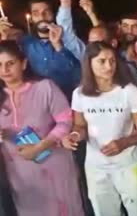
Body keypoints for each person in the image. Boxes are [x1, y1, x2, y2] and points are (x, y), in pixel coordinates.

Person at [61, 41, 137, 216]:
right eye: (102, 61)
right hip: (96, 168)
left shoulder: (129, 92)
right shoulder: (80, 94)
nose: (109, 66)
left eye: (112, 60)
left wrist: (124, 142)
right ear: (89, 64)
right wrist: (74, 136)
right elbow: (80, 125)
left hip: (129, 166)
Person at [0, 40, 84, 216]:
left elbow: (65, 121)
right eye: (0, 65)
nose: (5, 70)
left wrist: (41, 146)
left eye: (10, 63)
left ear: (23, 63)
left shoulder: (45, 87)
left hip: (54, 163)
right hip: (20, 173)